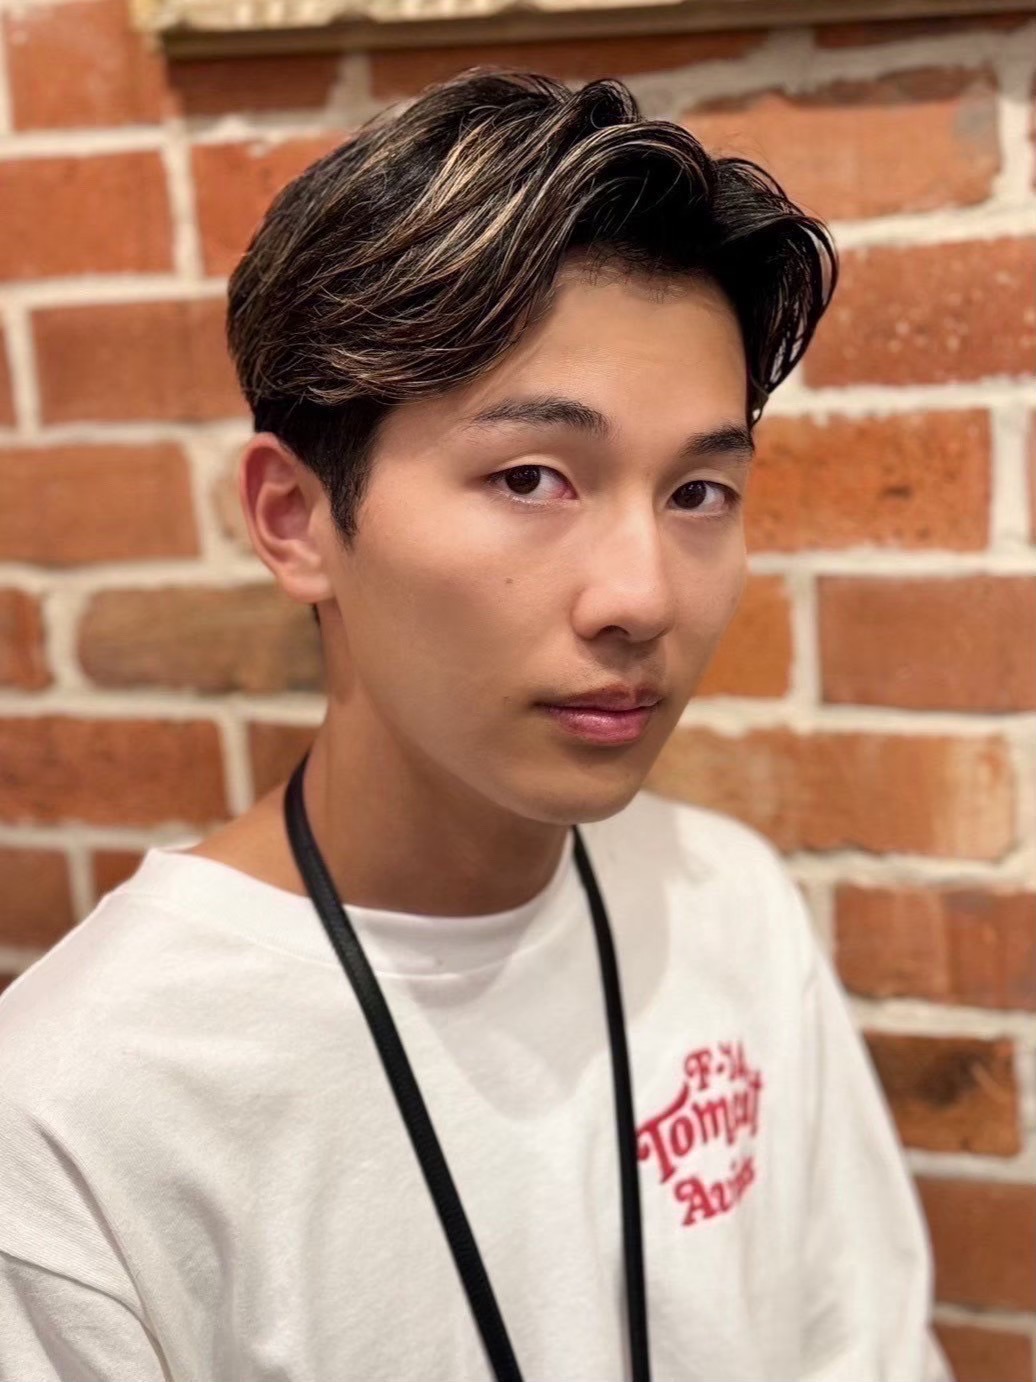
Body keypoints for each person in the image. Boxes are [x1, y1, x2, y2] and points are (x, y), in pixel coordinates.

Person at [0, 69, 953, 1382]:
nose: (641, 598)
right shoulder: (74, 1115)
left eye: (698, 491)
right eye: (531, 477)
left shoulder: (729, 909)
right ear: (295, 518)